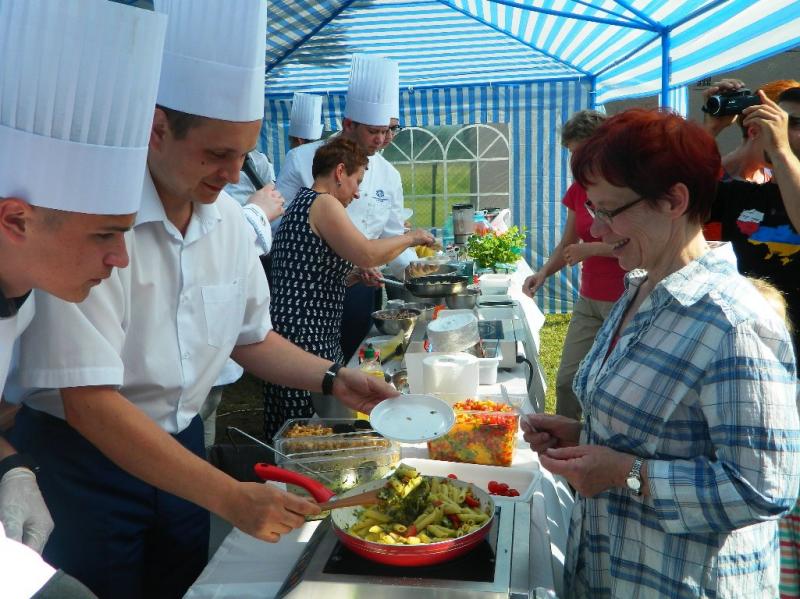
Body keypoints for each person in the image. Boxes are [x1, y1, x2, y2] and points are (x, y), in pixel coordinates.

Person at [11, 3, 398, 598]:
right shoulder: (93, 227)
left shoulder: (227, 226)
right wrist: (229, 496)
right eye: (217, 154)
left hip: (184, 444)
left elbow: (251, 338)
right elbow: (87, 401)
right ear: (157, 130)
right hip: (85, 462)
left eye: (242, 154)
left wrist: (332, 378)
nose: (233, 173)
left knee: (187, 586)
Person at [522, 108, 800, 597]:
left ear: (674, 200)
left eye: (609, 211)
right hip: (614, 568)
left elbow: (764, 488)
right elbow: (667, 433)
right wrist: (584, 434)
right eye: (593, 211)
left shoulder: (734, 323)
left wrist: (624, 474)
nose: (597, 231)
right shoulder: (640, 287)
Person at [0, 1, 165, 597]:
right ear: (15, 220)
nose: (121, 258)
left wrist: (10, 466)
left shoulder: (25, 294)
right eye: (104, 235)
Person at [263, 138, 434, 439]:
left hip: (300, 330)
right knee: (308, 429)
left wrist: (352, 276)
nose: (357, 193)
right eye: (358, 181)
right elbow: (366, 252)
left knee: (302, 426)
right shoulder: (323, 203)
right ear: (340, 172)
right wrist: (412, 237)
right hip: (305, 336)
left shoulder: (304, 201)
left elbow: (309, 274)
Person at [276, 54, 415, 364]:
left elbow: (391, 238)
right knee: (314, 369)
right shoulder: (303, 160)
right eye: (374, 131)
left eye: (388, 131)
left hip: (357, 288)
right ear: (348, 124)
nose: (382, 140)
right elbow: (279, 228)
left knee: (354, 362)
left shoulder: (389, 175)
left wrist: (419, 278)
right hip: (307, 293)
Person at [522, 110, 625, 420]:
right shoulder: (578, 190)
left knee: (611, 387)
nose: (574, 160)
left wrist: (592, 249)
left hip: (625, 299)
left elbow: (642, 246)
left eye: (579, 151)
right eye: (570, 152)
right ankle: (565, 443)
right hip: (589, 299)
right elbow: (568, 244)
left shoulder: (625, 188)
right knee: (567, 380)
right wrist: (542, 273)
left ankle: (599, 442)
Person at [704, 84, 800, 350]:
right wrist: (710, 130)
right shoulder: (742, 194)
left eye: (793, 123)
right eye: (777, 119)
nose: (778, 129)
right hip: (741, 350)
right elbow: (671, 201)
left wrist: (781, 150)